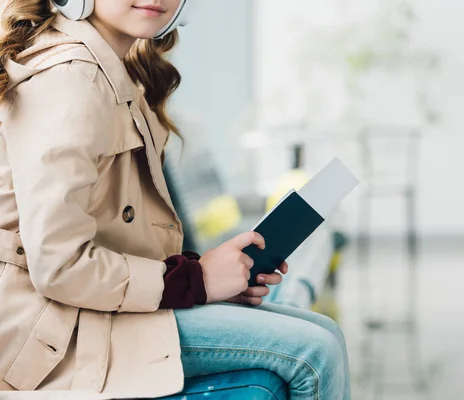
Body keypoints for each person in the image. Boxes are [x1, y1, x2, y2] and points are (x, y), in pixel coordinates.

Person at [0, 1, 351, 398]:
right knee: (314, 350)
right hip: (53, 334)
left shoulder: (107, 69)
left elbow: (110, 236)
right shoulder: (69, 80)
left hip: (85, 312)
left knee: (325, 332)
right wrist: (195, 281)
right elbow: (59, 265)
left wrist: (202, 277)